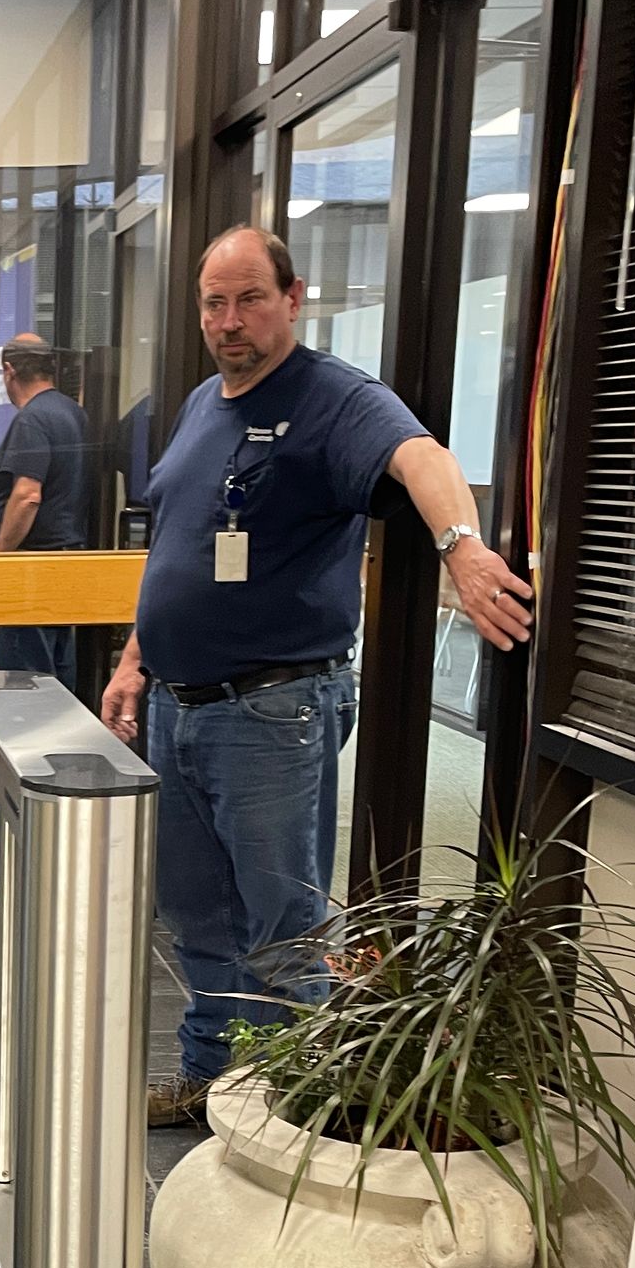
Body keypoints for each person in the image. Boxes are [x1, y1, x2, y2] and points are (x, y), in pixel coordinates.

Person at [100, 226, 532, 1126]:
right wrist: (137, 657)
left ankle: (301, 1103)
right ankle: (214, 1076)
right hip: (179, 704)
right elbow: (176, 544)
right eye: (214, 302)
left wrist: (462, 549)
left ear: (294, 299)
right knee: (197, 913)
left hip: (271, 708)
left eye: (250, 298)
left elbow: (423, 459)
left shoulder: (334, 397)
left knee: (280, 921)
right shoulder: (200, 404)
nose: (230, 320)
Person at [0, 336, 91, 689]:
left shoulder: (33, 419)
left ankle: (33, 746)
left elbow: (27, 495)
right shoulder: (73, 412)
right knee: (56, 677)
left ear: (9, 371)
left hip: (29, 569)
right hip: (63, 562)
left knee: (28, 684)